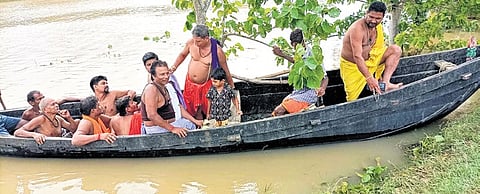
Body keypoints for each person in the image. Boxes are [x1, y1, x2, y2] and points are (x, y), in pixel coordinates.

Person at [340, 1, 403, 101]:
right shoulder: (357, 29)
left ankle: (386, 83)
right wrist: (369, 78)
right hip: (353, 66)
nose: (373, 21)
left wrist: (377, 74)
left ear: (383, 17)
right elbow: (357, 56)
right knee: (352, 99)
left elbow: (378, 48)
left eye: (378, 18)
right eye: (371, 17)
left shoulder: (377, 27)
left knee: (395, 50)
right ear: (366, 13)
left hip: (370, 60)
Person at [170, 24, 235, 120]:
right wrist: (174, 67)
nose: (196, 43)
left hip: (206, 84)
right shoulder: (191, 43)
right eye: (195, 40)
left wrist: (232, 86)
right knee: (191, 109)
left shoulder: (217, 51)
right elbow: (182, 55)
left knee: (208, 109)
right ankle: (195, 125)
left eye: (199, 41)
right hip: (190, 84)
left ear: (207, 38)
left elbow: (225, 70)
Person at [271, 29, 329, 116]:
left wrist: (322, 88)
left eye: (301, 44)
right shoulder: (298, 54)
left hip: (310, 92)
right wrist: (281, 53)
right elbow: (298, 61)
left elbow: (325, 77)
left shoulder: (313, 55)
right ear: (292, 45)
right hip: (298, 92)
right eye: (296, 45)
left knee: (279, 110)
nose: (300, 47)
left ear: (304, 42)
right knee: (280, 107)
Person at [141, 52, 202, 130]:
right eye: (162, 74)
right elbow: (152, 115)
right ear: (153, 76)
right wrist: (172, 129)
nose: (166, 77)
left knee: (191, 124)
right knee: (190, 127)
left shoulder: (165, 86)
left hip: (170, 123)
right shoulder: (151, 89)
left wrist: (195, 121)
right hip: (156, 129)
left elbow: (177, 106)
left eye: (167, 73)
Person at [14, 98, 78, 144]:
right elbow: (17, 132)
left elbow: (73, 130)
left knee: (78, 121)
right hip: (46, 145)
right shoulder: (40, 120)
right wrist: (34, 135)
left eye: (56, 103)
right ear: (45, 109)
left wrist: (69, 117)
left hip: (58, 144)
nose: (56, 105)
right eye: (52, 104)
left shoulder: (58, 119)